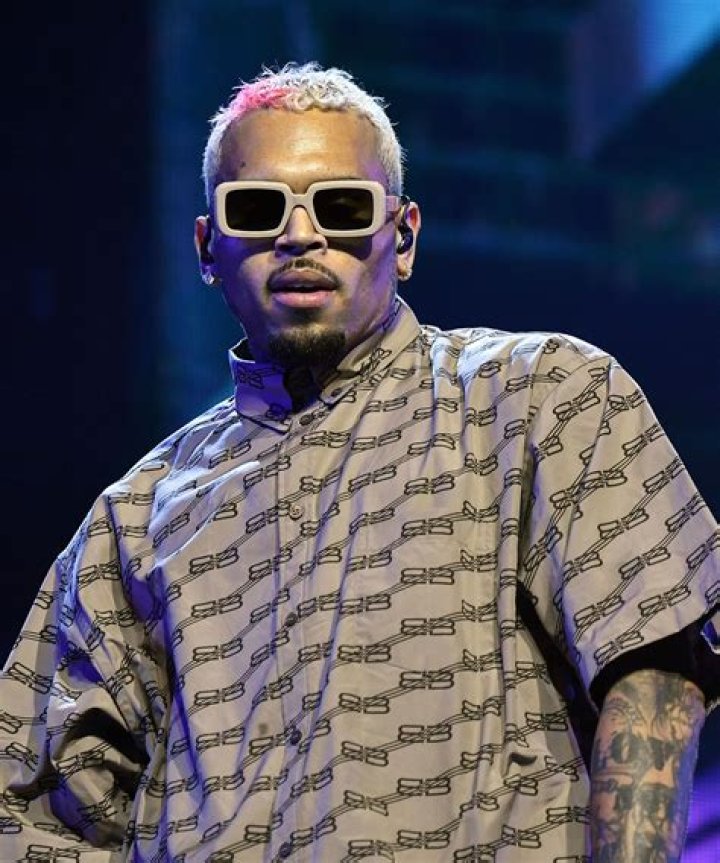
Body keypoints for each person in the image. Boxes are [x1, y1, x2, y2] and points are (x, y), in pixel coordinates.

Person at [1, 62, 718, 863]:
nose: (299, 235)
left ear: (402, 237)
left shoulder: (540, 397)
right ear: (207, 247)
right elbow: (27, 806)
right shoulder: (133, 520)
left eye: (341, 207)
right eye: (257, 208)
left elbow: (654, 664)